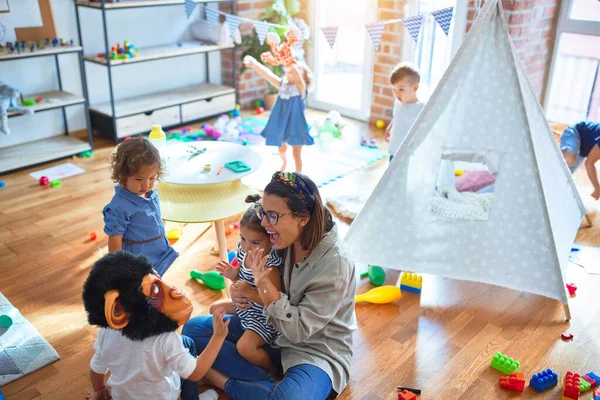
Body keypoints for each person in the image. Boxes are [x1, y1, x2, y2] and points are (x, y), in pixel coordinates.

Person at [182, 172, 357, 399]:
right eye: (264, 213)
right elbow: (247, 261)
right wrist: (239, 292)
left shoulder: (335, 264)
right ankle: (265, 385)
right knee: (193, 330)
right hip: (270, 332)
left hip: (313, 350)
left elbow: (297, 331)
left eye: (272, 216)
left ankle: (227, 382)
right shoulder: (282, 235)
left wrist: (263, 287)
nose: (264, 223)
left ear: (303, 218)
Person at [82, 251, 230, 400]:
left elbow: (97, 366)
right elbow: (196, 373)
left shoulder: (106, 332)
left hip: (122, 397)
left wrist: (99, 390)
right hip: (163, 396)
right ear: (117, 315)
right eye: (155, 289)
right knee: (187, 346)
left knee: (186, 341)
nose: (175, 290)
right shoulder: (165, 338)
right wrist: (218, 336)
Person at [209, 194, 283, 376]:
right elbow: (240, 275)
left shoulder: (270, 265)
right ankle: (223, 347)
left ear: (271, 239)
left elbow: (274, 301)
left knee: (245, 347)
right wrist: (231, 274)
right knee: (214, 309)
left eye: (255, 242)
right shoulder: (243, 251)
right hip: (245, 307)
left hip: (263, 317)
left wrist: (249, 293)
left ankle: (272, 370)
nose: (247, 246)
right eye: (243, 239)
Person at [103, 137, 178, 276]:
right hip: (138, 261)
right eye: (139, 179)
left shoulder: (150, 193)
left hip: (158, 253)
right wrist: (119, 266)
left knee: (156, 288)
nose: (146, 185)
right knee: (142, 292)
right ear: (123, 175)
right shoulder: (119, 206)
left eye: (152, 178)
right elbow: (114, 238)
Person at [243, 44, 314, 173]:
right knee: (281, 149)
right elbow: (267, 74)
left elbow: (298, 78)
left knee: (296, 154)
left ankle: (298, 175)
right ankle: (284, 161)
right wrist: (254, 64)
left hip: (296, 126)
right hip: (282, 123)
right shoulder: (283, 86)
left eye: (298, 70)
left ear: (304, 77)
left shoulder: (301, 90)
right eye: (292, 70)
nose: (294, 71)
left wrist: (291, 63)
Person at [385, 62, 425, 162]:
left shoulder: (420, 108)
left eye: (401, 89)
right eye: (394, 89)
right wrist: (390, 126)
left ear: (415, 87)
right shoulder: (398, 103)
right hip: (394, 149)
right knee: (392, 175)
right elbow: (397, 117)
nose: (396, 93)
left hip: (408, 153)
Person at [560, 120, 600, 199]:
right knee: (569, 160)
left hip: (582, 151)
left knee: (563, 177)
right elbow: (589, 163)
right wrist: (597, 188)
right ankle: (552, 154)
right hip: (575, 132)